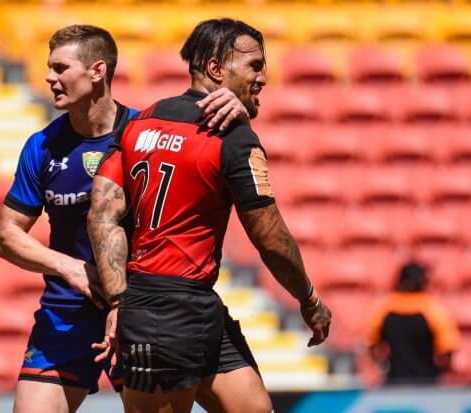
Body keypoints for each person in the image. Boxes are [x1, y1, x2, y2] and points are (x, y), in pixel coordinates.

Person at [0, 24, 253, 413]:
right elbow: (6, 235)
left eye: (61, 68)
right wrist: (71, 268)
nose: (50, 77)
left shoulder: (144, 134)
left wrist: (241, 109)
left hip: (145, 311)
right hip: (68, 313)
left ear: (98, 71)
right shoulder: (42, 147)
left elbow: (215, 148)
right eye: (50, 67)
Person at [88, 18, 332, 413]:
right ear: (217, 69)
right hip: (165, 312)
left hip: (190, 306)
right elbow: (269, 237)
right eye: (254, 65)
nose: (264, 77)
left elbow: (102, 214)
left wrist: (119, 301)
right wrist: (308, 298)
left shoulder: (139, 123)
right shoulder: (231, 135)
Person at [367, 261, 460, 385]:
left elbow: (371, 345)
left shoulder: (385, 308)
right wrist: (438, 370)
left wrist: (383, 365)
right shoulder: (432, 309)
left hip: (395, 383)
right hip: (427, 383)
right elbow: (448, 350)